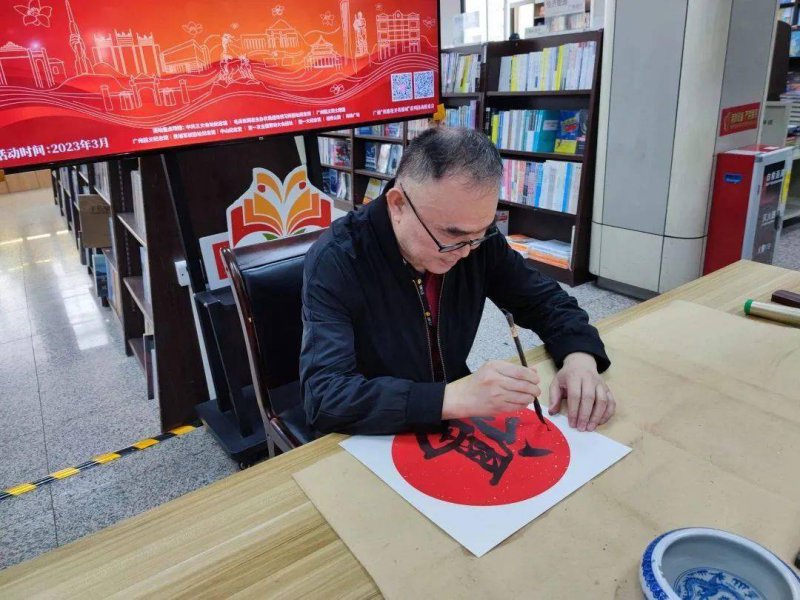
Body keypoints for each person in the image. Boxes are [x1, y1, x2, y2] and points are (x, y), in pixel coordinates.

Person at [300, 127, 615, 436]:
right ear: (398, 205)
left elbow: (544, 301)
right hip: (373, 432)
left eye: (481, 232)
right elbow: (326, 397)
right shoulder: (337, 259)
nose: (465, 252)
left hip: (451, 416)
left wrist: (579, 357)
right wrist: (450, 398)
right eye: (451, 235)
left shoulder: (476, 241)